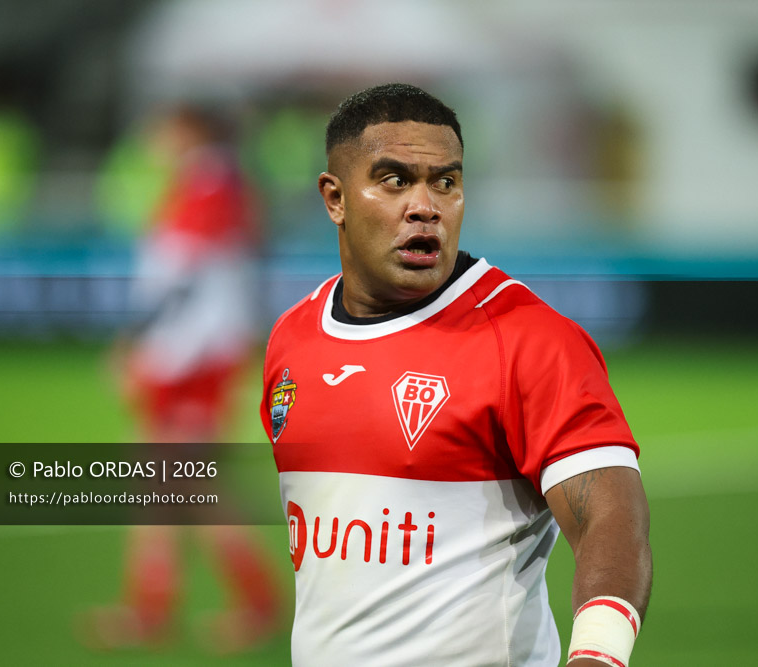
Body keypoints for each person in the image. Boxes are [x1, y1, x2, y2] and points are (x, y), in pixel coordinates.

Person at [261, 84, 652, 666]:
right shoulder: (293, 339)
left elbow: (612, 517)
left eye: (445, 181)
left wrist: (599, 656)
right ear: (334, 198)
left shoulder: (529, 340)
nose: (426, 205)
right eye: (395, 180)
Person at [81, 106, 280, 653]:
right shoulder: (215, 182)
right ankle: (152, 610)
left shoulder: (208, 183)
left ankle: (255, 603)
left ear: (190, 131)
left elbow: (183, 281)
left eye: (162, 127)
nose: (152, 137)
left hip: (191, 361)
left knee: (187, 486)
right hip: (195, 355)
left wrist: (136, 345)